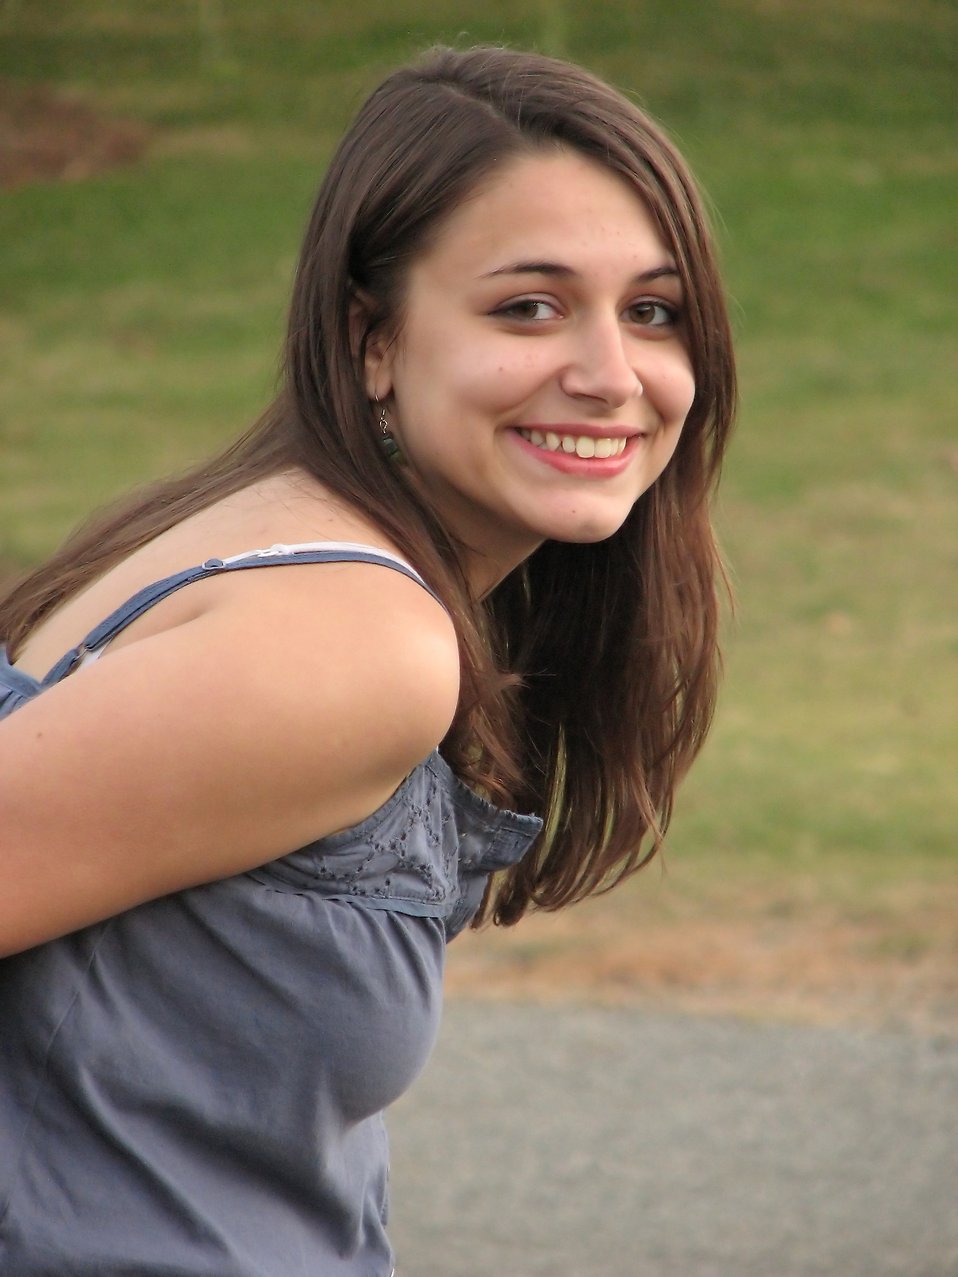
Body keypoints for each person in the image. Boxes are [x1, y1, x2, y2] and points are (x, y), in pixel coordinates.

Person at [0, 43, 736, 1276]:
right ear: (374, 340)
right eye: (527, 306)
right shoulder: (355, 640)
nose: (612, 375)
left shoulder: (252, 532)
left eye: (652, 311)